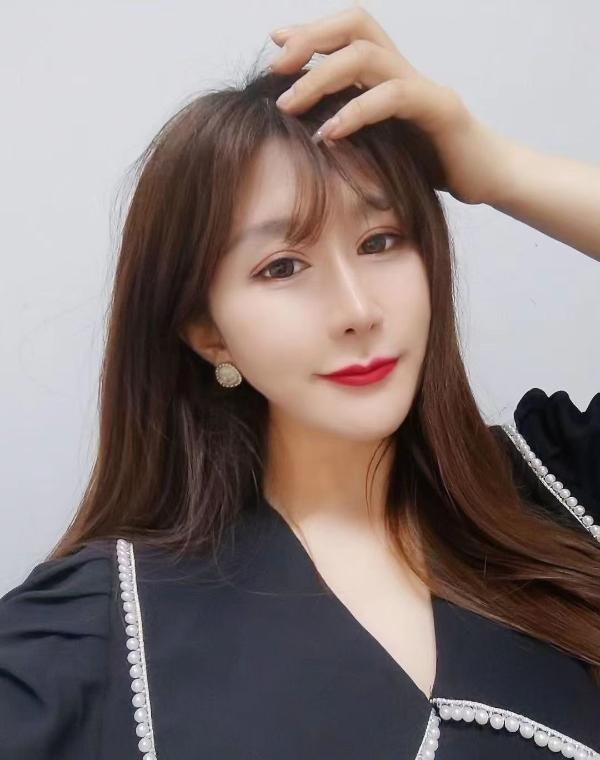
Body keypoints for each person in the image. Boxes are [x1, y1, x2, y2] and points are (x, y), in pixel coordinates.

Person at [1, 7, 599, 760]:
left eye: (380, 241)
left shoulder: (558, 495)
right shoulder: (96, 642)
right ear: (208, 331)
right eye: (282, 267)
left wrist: (494, 168)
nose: (357, 311)